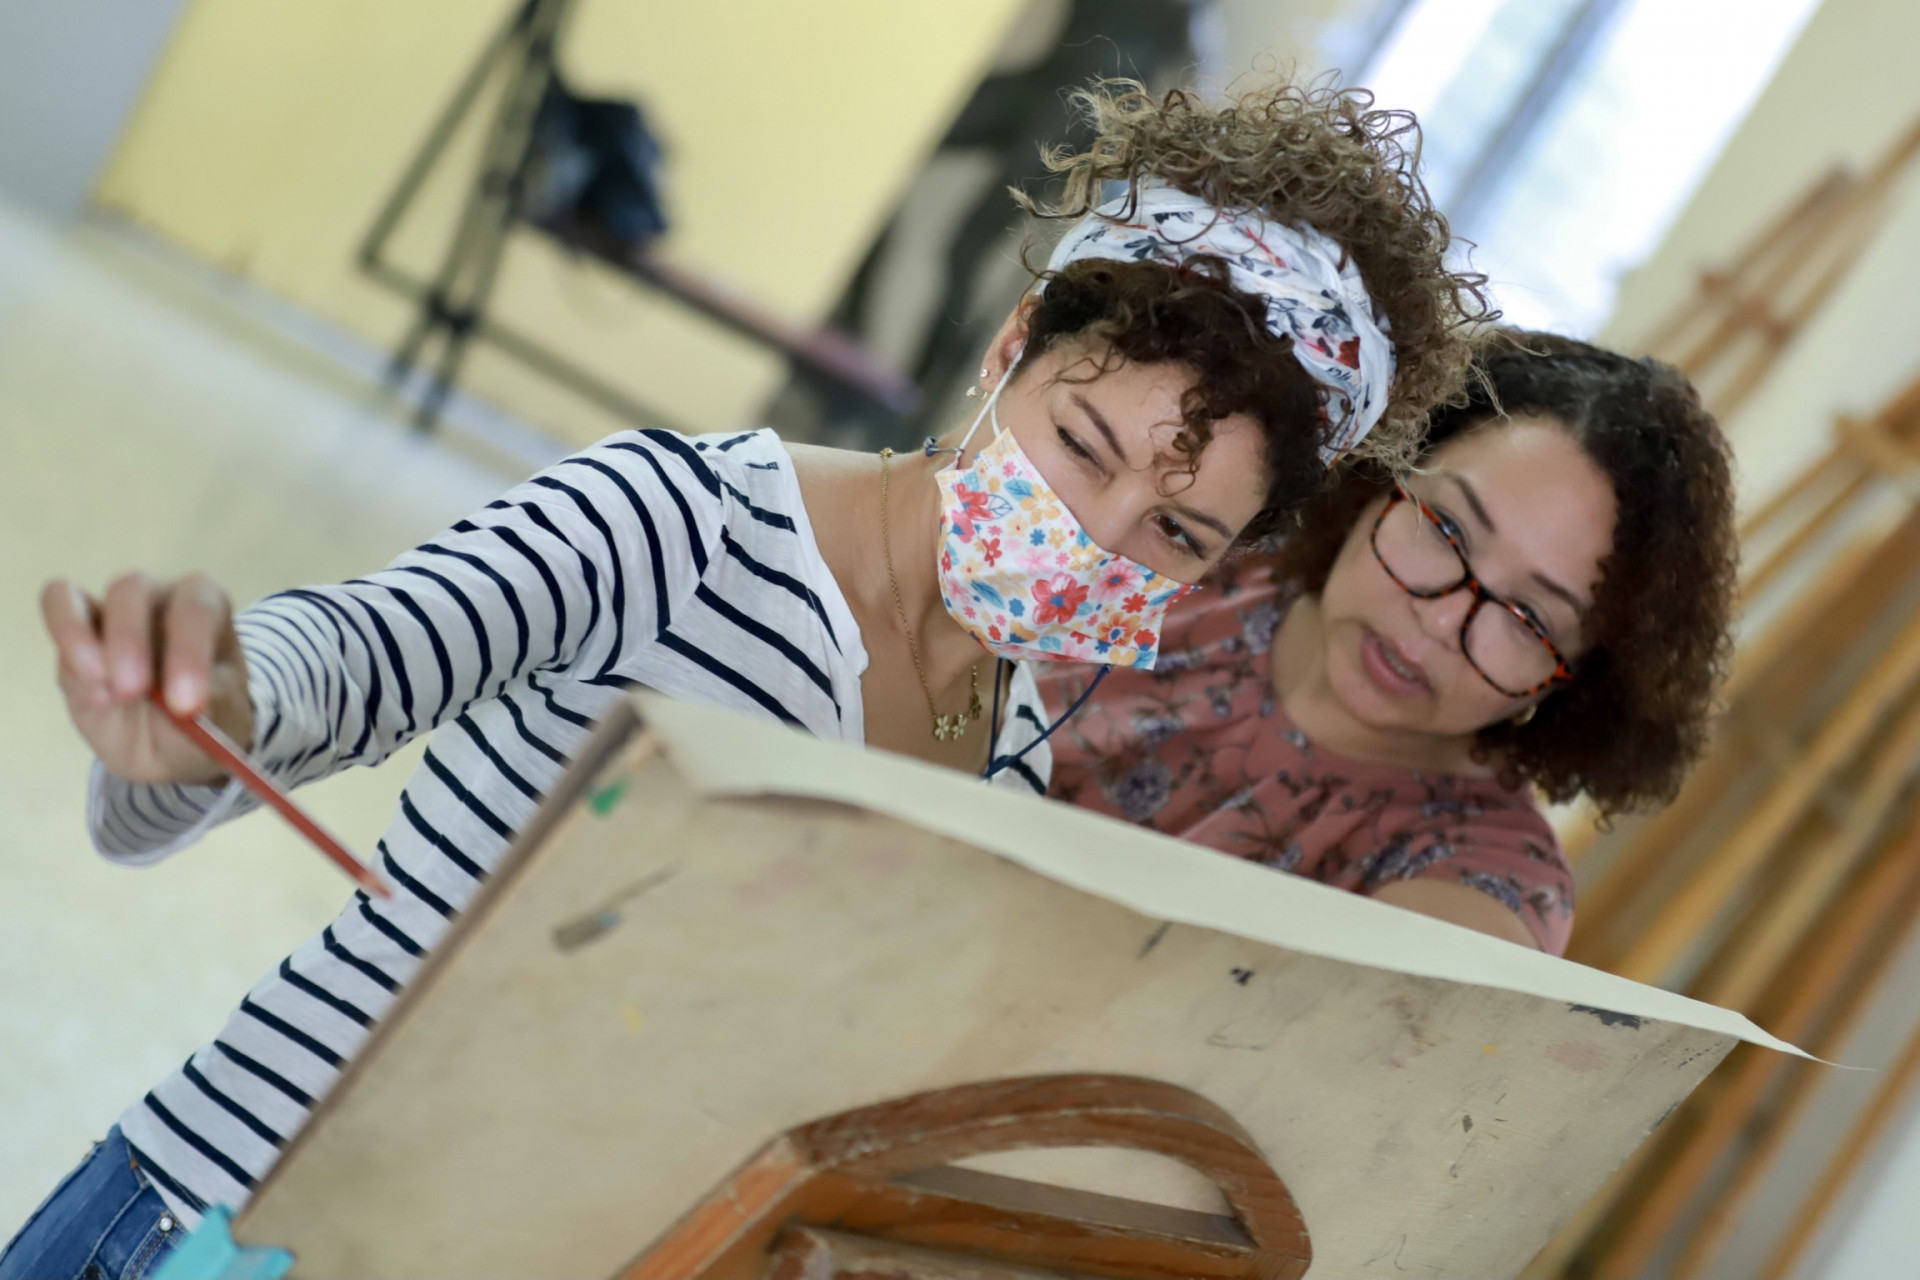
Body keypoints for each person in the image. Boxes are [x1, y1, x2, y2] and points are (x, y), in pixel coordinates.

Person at [6, 79, 1487, 1278]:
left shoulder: (1016, 752)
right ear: (1009, 349)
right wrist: (205, 713)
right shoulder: (687, 521)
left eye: (1173, 532)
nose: (1091, 535)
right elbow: (348, 660)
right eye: (1081, 445)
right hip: (222, 1221)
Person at [1044, 331, 1739, 956]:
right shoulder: (1209, 545)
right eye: (1446, 530)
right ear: (1385, 472)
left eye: (1527, 618)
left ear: (1575, 683)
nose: (1439, 622)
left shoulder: (1481, 879)